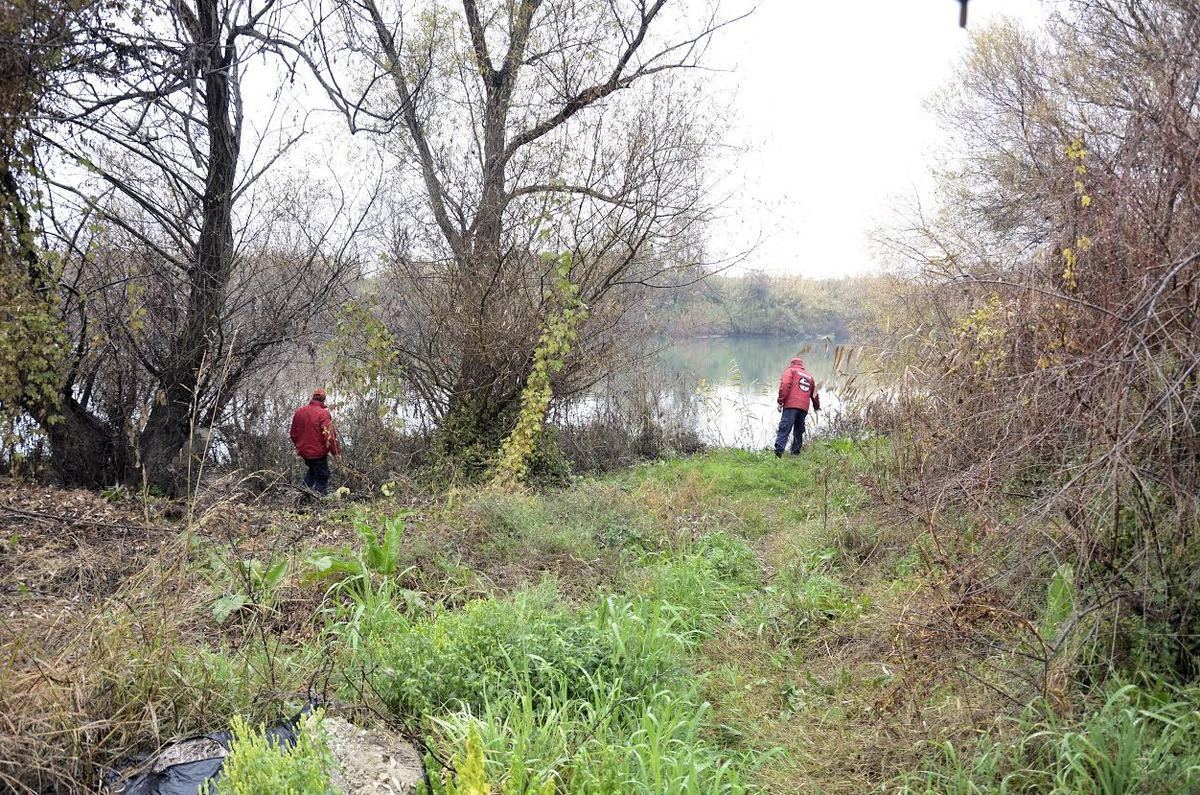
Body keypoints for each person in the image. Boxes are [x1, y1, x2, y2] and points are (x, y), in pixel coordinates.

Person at [290, 388, 339, 494]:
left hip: (304, 453)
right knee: (322, 476)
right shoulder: (323, 414)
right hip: (318, 453)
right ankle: (318, 502)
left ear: (312, 398)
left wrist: (300, 447)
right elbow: (330, 437)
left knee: (312, 472)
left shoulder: (299, 412)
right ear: (324, 399)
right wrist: (336, 453)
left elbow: (293, 434)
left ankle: (302, 499)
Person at [775, 357, 820, 457]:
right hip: (804, 407)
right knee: (799, 430)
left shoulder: (790, 371)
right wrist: (816, 406)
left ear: (792, 364)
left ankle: (778, 452)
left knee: (785, 428)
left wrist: (780, 401)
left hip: (791, 405)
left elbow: (785, 385)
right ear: (802, 365)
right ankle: (795, 453)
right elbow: (815, 393)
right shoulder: (809, 376)